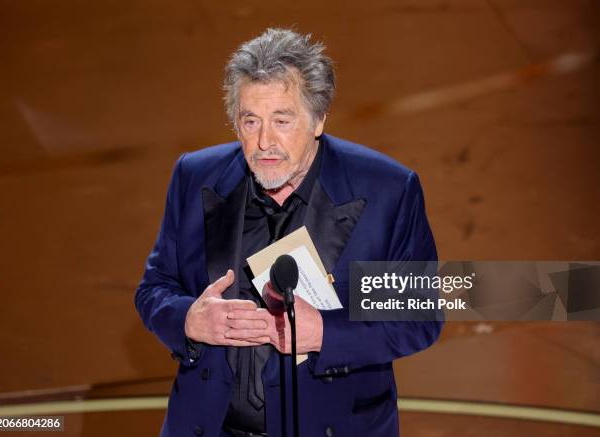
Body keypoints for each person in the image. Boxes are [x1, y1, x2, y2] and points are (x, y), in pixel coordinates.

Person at [135, 28, 442, 437]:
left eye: (282, 120)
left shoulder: (388, 192)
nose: (264, 142)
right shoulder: (194, 176)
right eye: (250, 121)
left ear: (318, 120)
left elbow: (418, 318)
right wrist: (189, 320)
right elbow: (154, 288)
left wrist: (325, 334)